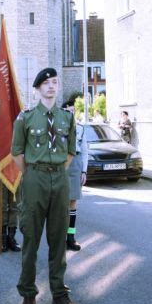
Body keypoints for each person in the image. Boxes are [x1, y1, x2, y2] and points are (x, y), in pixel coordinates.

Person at [11, 67, 83, 304]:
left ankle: (59, 295)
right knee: (31, 238)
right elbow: (17, 152)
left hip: (60, 179)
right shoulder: (26, 117)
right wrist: (34, 173)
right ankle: (28, 295)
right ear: (38, 88)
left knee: (58, 237)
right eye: (47, 83)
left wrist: (55, 171)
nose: (52, 86)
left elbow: (71, 150)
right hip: (34, 178)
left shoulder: (67, 118)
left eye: (55, 82)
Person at [62, 101, 88, 251]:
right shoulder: (58, 127)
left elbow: (84, 151)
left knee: (72, 203)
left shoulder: (80, 128)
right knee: (60, 203)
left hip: (75, 164)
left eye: (73, 110)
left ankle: (70, 237)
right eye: (68, 110)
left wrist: (84, 171)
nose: (71, 113)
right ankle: (59, 237)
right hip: (61, 163)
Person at [0, 142, 21, 252]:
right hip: (1, 164)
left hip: (16, 164)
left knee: (15, 204)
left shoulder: (20, 124)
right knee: (2, 204)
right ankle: (2, 238)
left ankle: (11, 237)